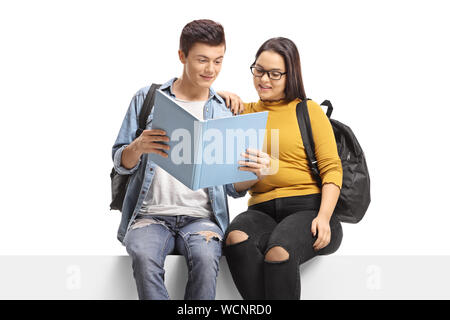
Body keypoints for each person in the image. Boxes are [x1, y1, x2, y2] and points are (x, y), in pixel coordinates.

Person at [111, 19, 247, 300]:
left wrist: (254, 173)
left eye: (218, 61)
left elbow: (233, 188)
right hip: (150, 215)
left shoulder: (225, 111)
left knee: (207, 260)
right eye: (202, 60)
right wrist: (137, 147)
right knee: (143, 255)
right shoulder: (147, 98)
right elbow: (119, 161)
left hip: (202, 219)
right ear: (182, 56)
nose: (211, 70)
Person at [220, 37, 344, 300]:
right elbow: (197, 104)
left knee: (279, 251)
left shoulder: (308, 110)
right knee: (235, 239)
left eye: (274, 74)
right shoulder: (243, 114)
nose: (264, 79)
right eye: (259, 70)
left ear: (291, 75)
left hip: (307, 208)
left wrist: (323, 217)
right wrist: (216, 95)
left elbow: (332, 169)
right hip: (261, 209)